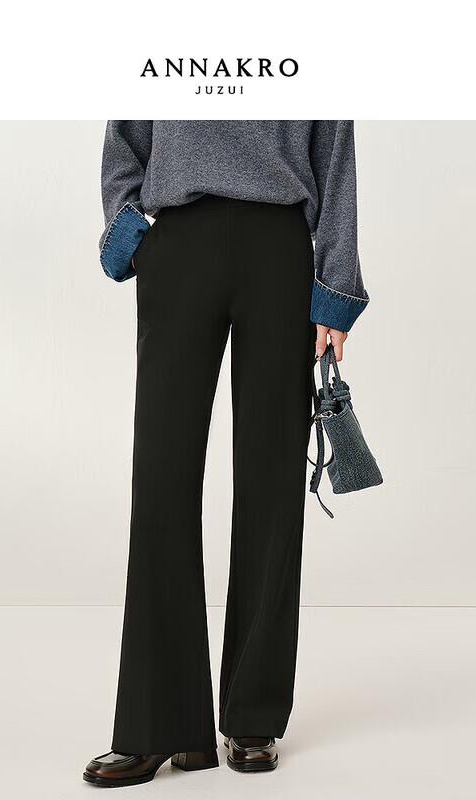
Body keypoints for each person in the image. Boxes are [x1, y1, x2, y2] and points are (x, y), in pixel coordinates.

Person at [83, 120, 369, 788]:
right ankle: (159, 723)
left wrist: (335, 289)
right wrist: (134, 236)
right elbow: (125, 142)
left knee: (273, 479)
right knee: (161, 479)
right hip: (179, 243)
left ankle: (253, 715)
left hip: (279, 247)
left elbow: (335, 160)